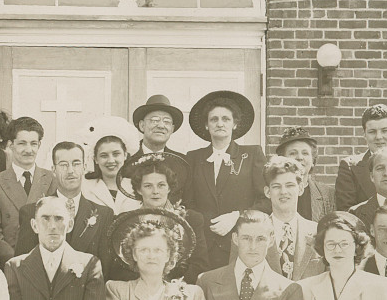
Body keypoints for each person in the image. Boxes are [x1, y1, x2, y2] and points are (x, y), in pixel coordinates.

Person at [183, 90, 267, 266]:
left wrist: (238, 216)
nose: (220, 123)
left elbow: (265, 201)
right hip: (204, 249)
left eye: (226, 119)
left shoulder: (252, 155)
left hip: (240, 247)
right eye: (214, 119)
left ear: (235, 124)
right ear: (206, 125)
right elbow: (188, 203)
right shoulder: (193, 158)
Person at [108, 154, 210, 283]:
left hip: (176, 291)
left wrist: (169, 287)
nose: (155, 191)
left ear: (169, 188)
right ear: (139, 189)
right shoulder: (123, 221)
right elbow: (117, 267)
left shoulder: (191, 219)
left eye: (161, 185)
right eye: (148, 186)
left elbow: (199, 265)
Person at [13, 141, 114, 260]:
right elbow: (23, 264)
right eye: (63, 165)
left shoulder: (104, 214)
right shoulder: (32, 212)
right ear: (53, 170)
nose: (70, 170)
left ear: (84, 168)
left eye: (76, 164)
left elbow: (105, 267)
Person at [0, 116, 54, 259]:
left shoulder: (51, 180)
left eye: (33, 143)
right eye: (22, 143)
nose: (28, 150)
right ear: (11, 145)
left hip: (47, 260)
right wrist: (16, 261)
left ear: (39, 145)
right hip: (11, 262)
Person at [261, 156, 324, 281]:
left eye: (289, 185)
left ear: (300, 189)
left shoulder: (319, 232)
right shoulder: (255, 232)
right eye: (276, 186)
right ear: (268, 192)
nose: (283, 192)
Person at [276, 128, 334, 222]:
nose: (299, 157)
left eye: (305, 153)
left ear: (313, 161)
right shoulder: (274, 191)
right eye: (293, 153)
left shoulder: (327, 195)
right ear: (282, 159)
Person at [82, 134, 139, 216]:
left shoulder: (137, 186)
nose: (111, 160)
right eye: (104, 156)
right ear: (96, 159)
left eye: (116, 154)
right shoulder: (84, 188)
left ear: (125, 155)